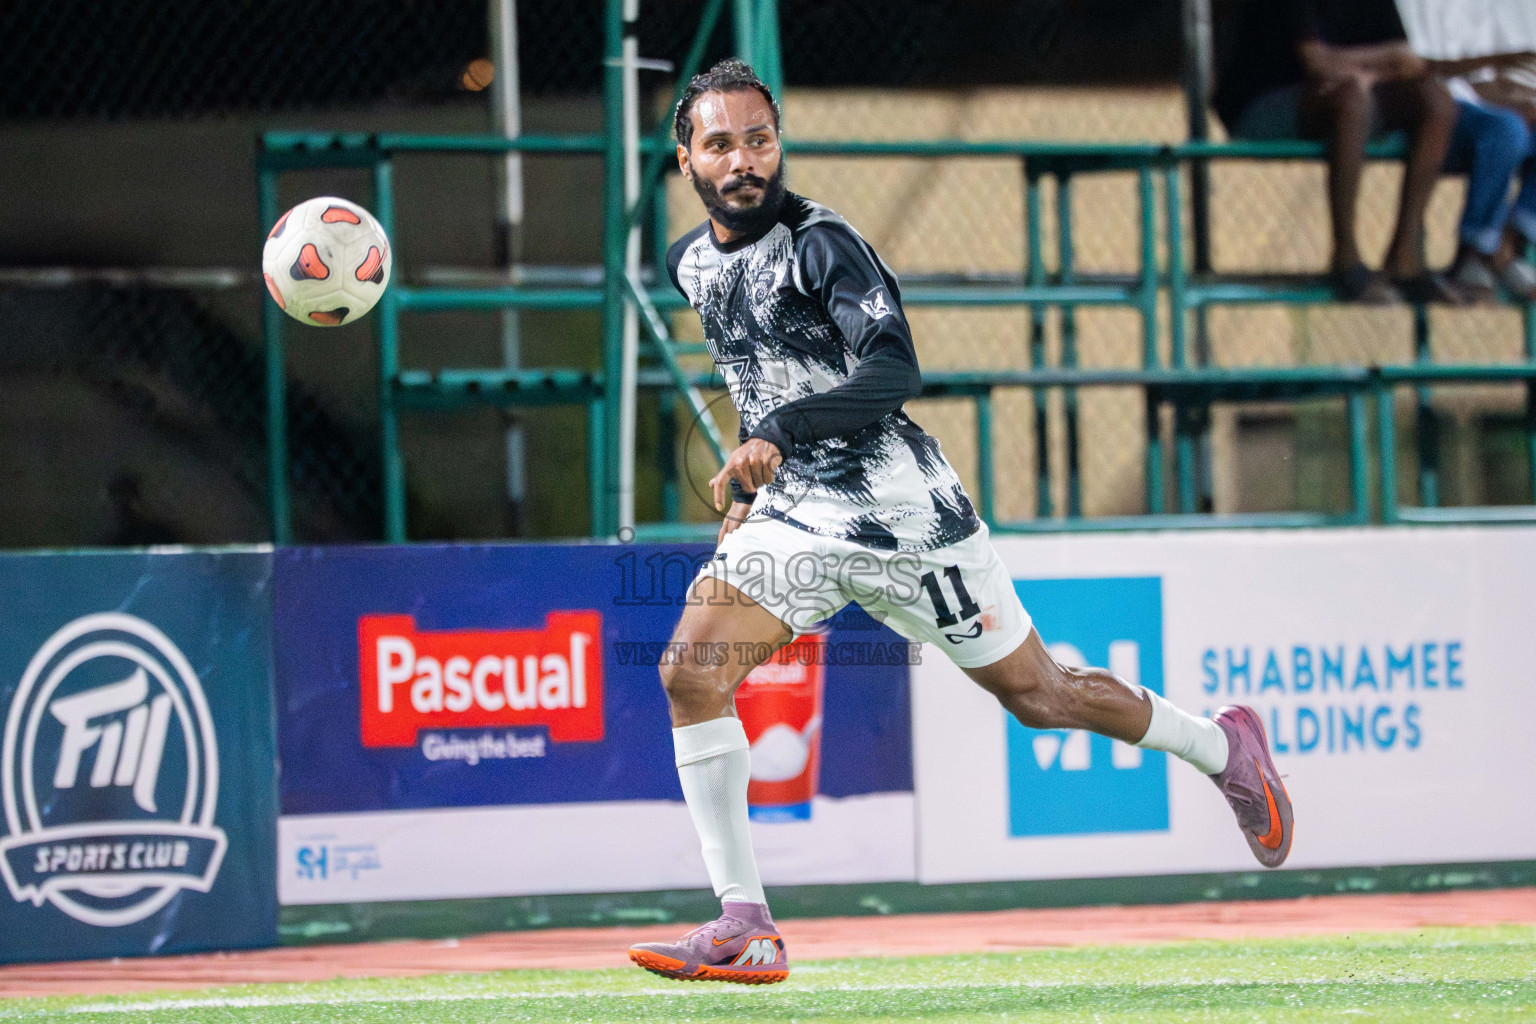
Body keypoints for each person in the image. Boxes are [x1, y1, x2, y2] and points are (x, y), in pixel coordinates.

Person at [627, 59, 1294, 987]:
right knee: (691, 673)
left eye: (760, 139)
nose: (744, 159)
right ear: (686, 160)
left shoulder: (824, 245)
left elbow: (894, 371)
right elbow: (757, 375)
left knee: (1041, 697)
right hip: (796, 514)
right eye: (721, 143)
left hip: (905, 514)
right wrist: (749, 488)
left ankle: (1225, 747)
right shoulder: (691, 262)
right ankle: (747, 922)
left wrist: (777, 433)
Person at [1214, 0, 1460, 304]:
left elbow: (1405, 62)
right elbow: (1316, 63)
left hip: (1343, 94)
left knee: (1435, 100)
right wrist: (1385, 62)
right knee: (1351, 99)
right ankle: (1345, 257)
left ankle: (1404, 257)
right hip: (1259, 104)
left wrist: (1386, 65)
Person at [1435, 51, 1536, 300]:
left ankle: (1507, 245)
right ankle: (1476, 252)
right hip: (1445, 100)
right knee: (1506, 131)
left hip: (1495, 91)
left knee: (1511, 125)